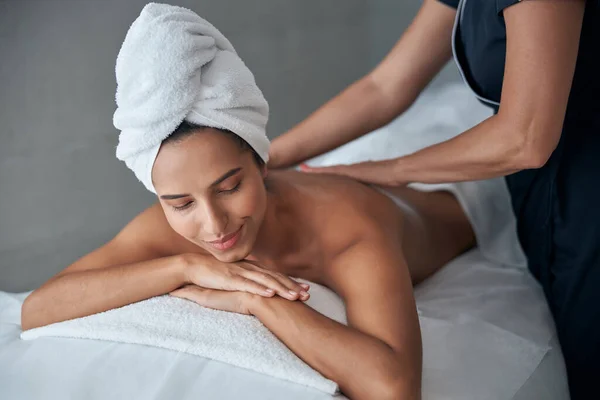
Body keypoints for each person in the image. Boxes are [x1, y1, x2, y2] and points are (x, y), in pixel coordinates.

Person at [20, 4, 481, 399]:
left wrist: (257, 301)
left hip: (463, 198)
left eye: (228, 187)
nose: (214, 224)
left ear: (263, 162)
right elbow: (39, 307)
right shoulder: (182, 229)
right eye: (181, 203)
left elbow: (394, 388)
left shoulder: (349, 230)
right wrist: (184, 268)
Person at [269, 0, 600, 398]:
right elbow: (385, 87)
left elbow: (524, 140)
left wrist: (390, 170)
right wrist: (262, 157)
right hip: (542, 188)